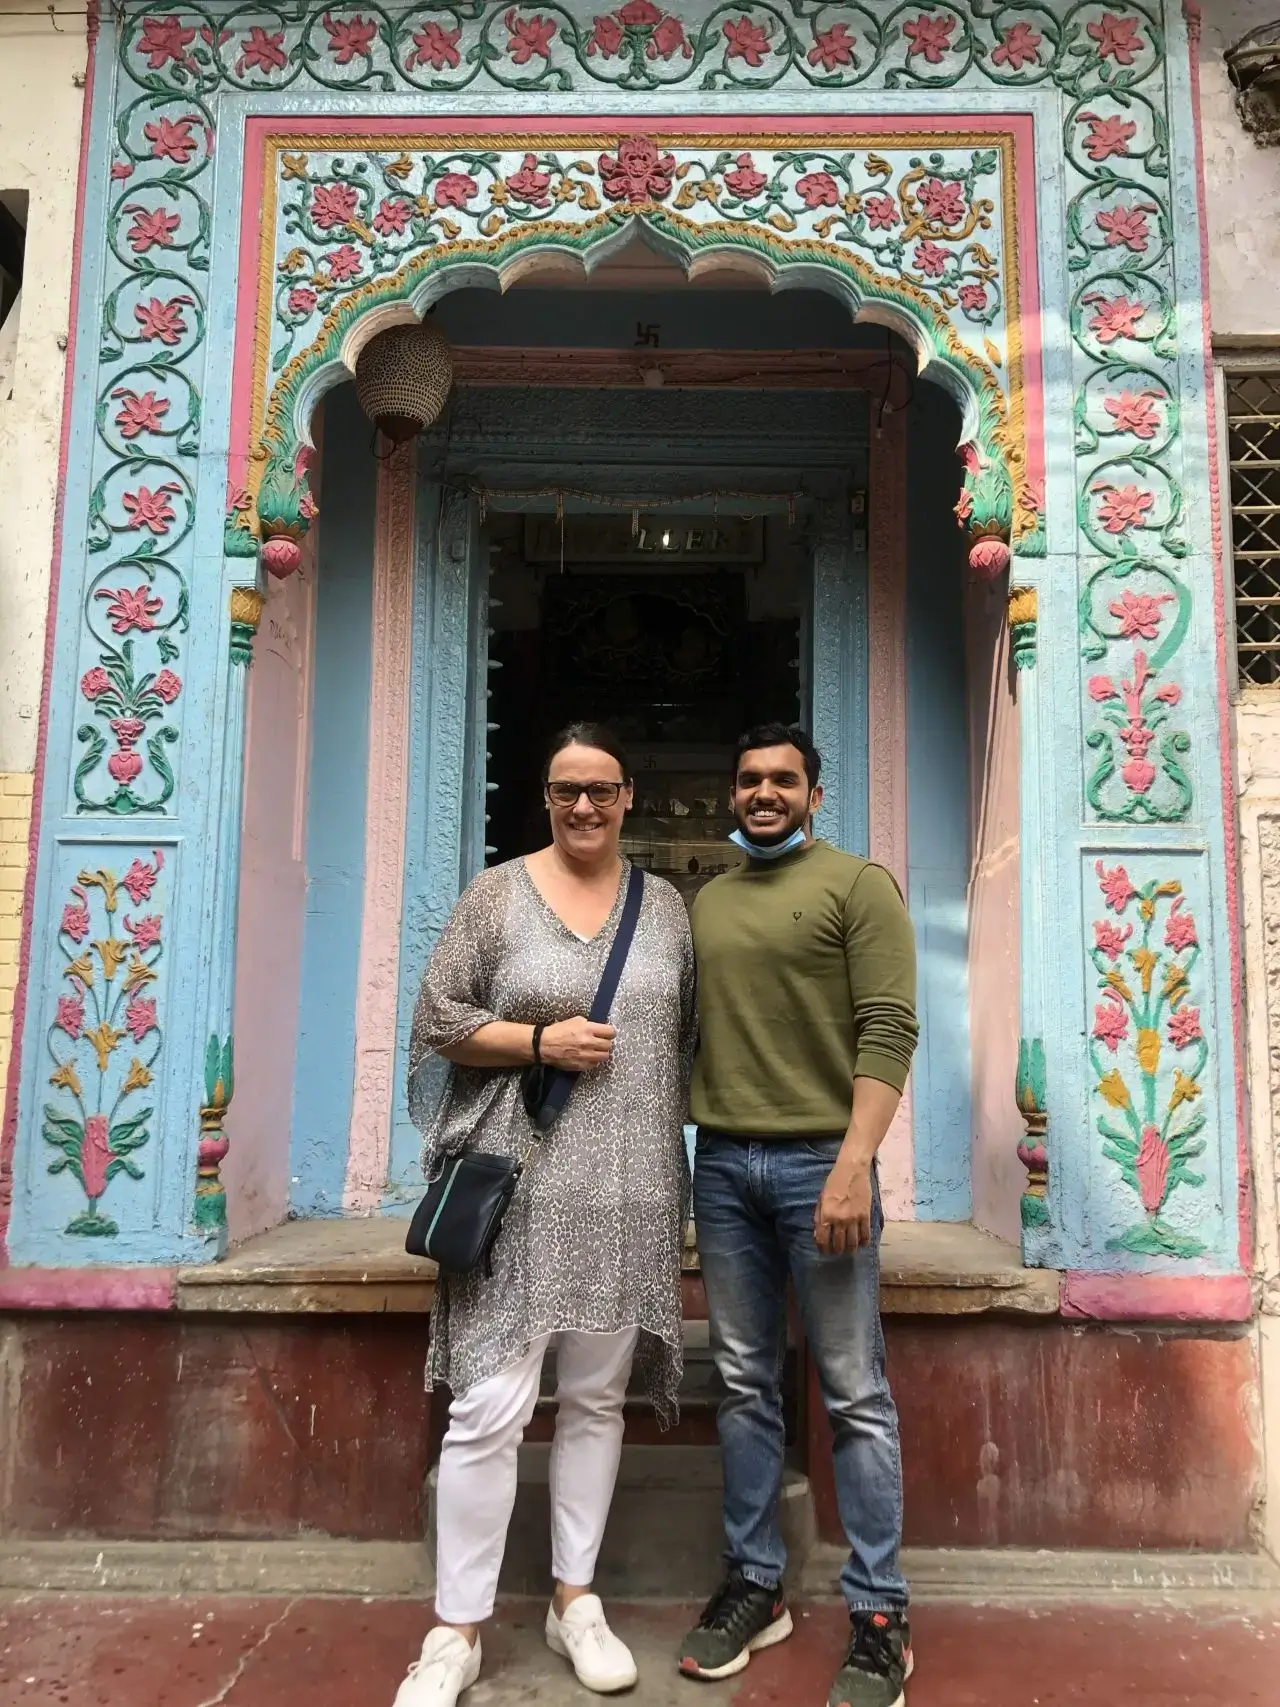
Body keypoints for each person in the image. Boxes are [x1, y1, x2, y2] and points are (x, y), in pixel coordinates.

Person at [395, 723, 695, 1707]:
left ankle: (575, 1599)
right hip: (519, 1191)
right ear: (544, 796)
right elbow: (438, 1020)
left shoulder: (666, 912)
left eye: (601, 790)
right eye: (566, 790)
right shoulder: (495, 897)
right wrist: (535, 1039)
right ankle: (457, 1630)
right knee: (488, 1408)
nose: (583, 807)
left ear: (628, 796)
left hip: (628, 1192)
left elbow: (683, 1038)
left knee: (597, 1402)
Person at [677, 723, 919, 1707]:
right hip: (724, 1165)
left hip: (826, 1163)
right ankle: (755, 1582)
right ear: (732, 795)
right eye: (748, 780)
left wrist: (855, 1164)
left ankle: (877, 1615)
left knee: (852, 1390)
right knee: (742, 1383)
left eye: (783, 779)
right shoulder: (709, 901)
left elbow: (888, 1026)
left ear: (814, 794)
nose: (763, 793)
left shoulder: (857, 887)